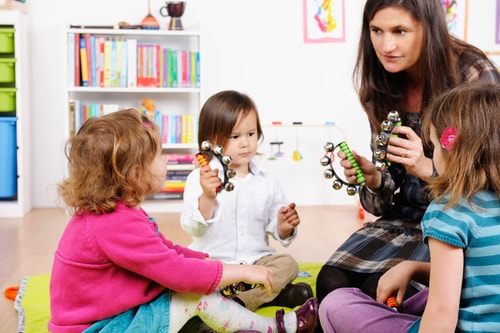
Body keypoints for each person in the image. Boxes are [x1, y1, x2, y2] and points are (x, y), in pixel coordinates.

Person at [48, 108, 318, 333]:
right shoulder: (114, 223)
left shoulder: (116, 214)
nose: (165, 161)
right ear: (134, 172)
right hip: (100, 327)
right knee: (197, 294)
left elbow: (167, 250)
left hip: (109, 318)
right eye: (159, 156)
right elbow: (174, 269)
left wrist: (215, 267)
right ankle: (278, 327)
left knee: (203, 284)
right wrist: (239, 271)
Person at [315, 0, 500, 305]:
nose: (387, 45)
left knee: (386, 290)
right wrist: (374, 178)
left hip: (458, 219)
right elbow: (382, 201)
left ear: (429, 29)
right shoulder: (381, 85)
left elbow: (492, 177)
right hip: (404, 219)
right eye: (377, 30)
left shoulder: (471, 74)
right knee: (331, 282)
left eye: (400, 31)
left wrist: (429, 169)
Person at [318, 82, 500, 333]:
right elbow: (475, 278)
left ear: (453, 151)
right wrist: (413, 267)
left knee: (336, 303)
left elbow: (442, 317)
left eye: (434, 147)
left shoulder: (450, 212)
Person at [181, 90, 313, 312]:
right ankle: (275, 295)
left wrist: (284, 226)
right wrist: (208, 197)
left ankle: (239, 302)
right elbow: (192, 227)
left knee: (288, 264)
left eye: (251, 134)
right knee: (186, 270)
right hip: (215, 264)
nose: (245, 143)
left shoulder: (267, 180)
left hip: (256, 263)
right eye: (235, 136)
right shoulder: (199, 178)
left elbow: (276, 228)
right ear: (211, 141)